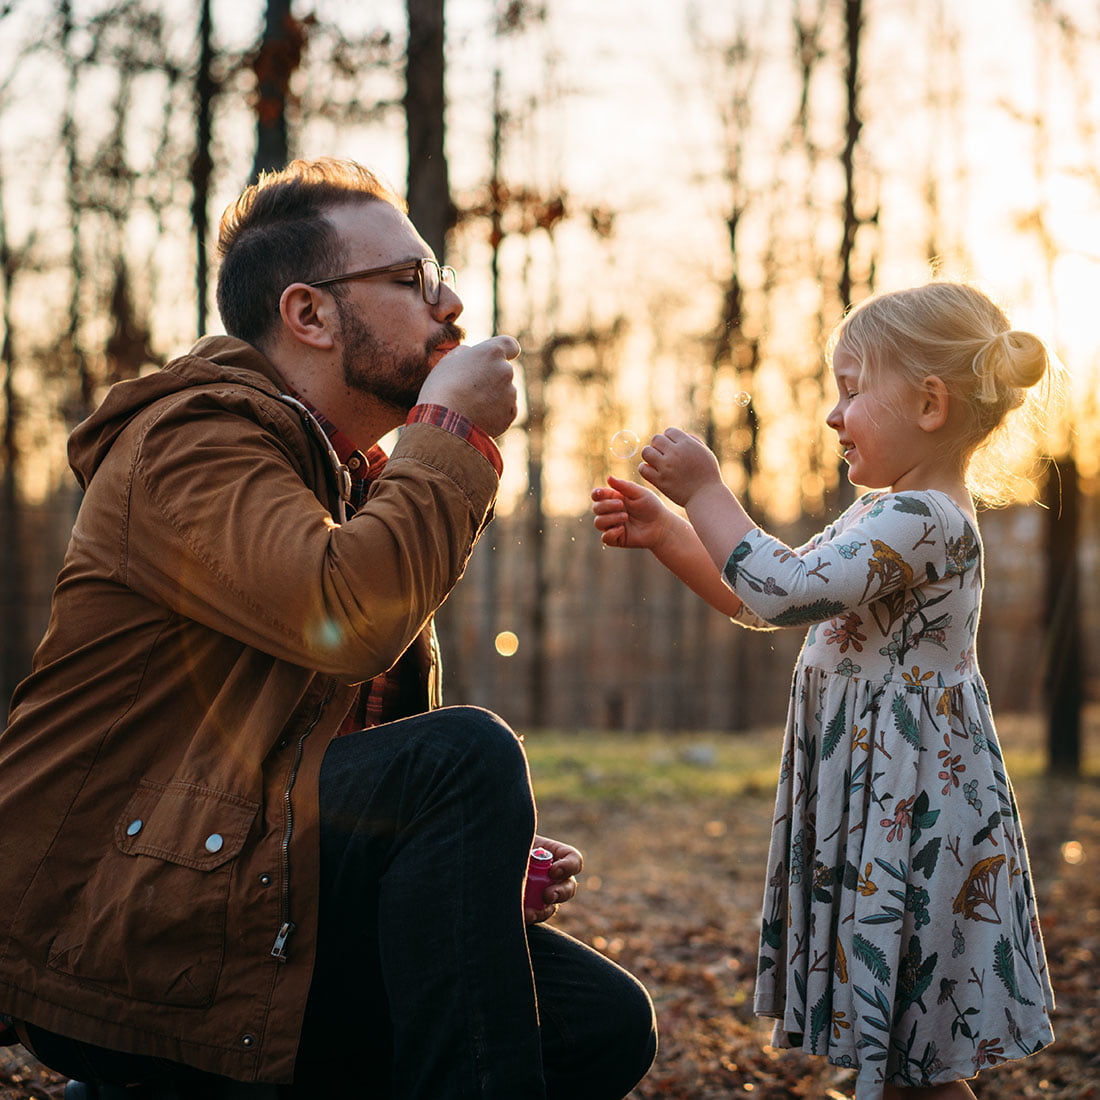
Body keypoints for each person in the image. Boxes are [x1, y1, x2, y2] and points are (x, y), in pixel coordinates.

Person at [0, 157, 656, 1100]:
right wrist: (452, 433)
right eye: (411, 279)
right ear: (308, 314)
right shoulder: (192, 440)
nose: (451, 305)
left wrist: (445, 871)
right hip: (122, 920)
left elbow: (323, 747)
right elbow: (348, 621)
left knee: (597, 1024)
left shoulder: (334, 474)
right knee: (460, 758)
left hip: (242, 881)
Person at [591, 281, 1058, 1100]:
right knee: (907, 1053)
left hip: (912, 806)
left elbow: (786, 591)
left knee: (917, 1050)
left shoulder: (927, 520)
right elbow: (760, 596)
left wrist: (704, 491)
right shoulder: (883, 512)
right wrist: (670, 532)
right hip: (874, 791)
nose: (833, 415)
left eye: (850, 390)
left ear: (929, 402)